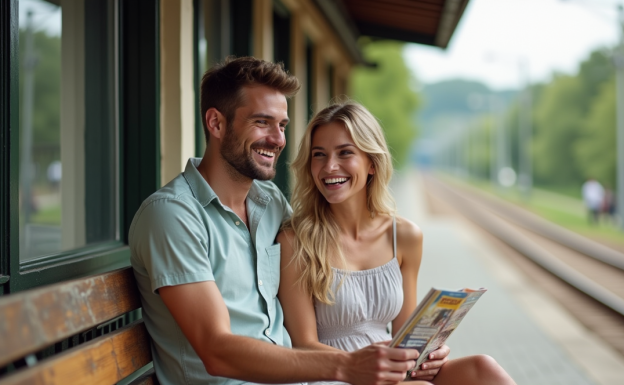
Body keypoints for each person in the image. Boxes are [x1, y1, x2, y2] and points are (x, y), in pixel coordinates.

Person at [128, 57, 419, 385]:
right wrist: (347, 366)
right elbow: (216, 350)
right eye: (262, 122)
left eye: (281, 125)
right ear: (216, 123)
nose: (278, 139)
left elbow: (323, 256)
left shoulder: (270, 205)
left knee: (476, 372)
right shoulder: (173, 215)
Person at [276, 101, 517, 385]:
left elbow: (406, 337)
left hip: (391, 375)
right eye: (319, 155)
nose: (329, 166)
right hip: (332, 375)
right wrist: (360, 365)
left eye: (345, 153)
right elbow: (303, 346)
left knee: (483, 368)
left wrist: (429, 354)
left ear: (372, 164)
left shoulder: (404, 236)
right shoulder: (295, 240)